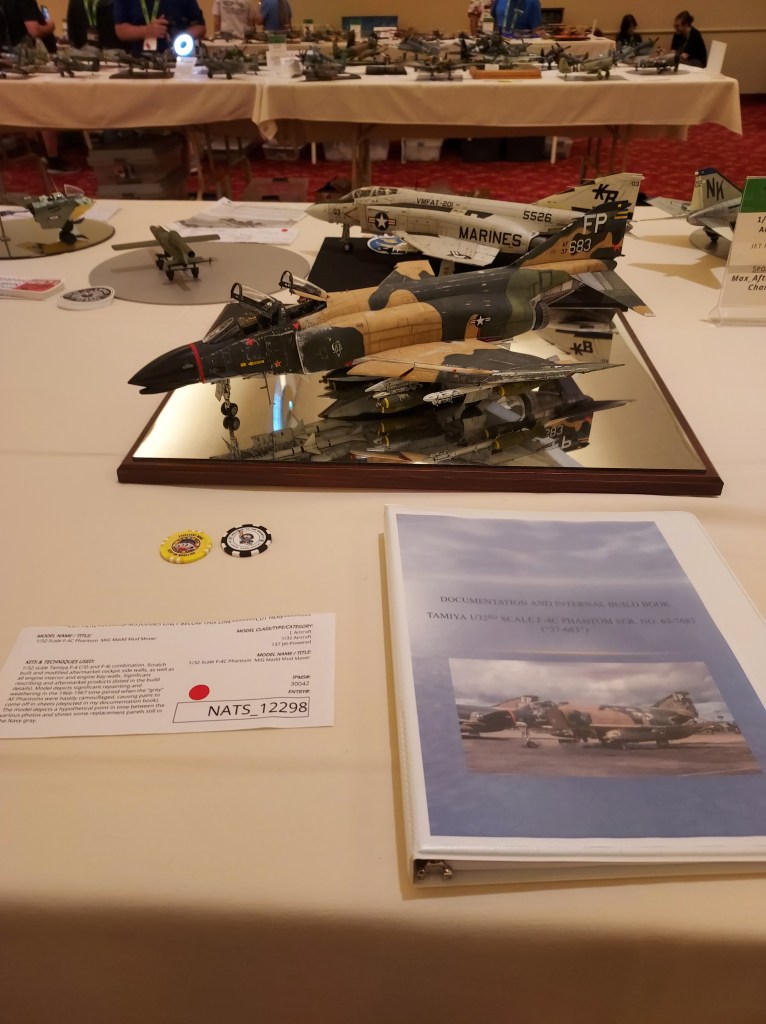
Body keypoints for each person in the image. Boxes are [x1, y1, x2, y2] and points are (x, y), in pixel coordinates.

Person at [113, 0, 205, 56]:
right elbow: (120, 30)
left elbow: (200, 27)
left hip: (177, 59)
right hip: (139, 62)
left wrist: (179, 37)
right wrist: (147, 31)